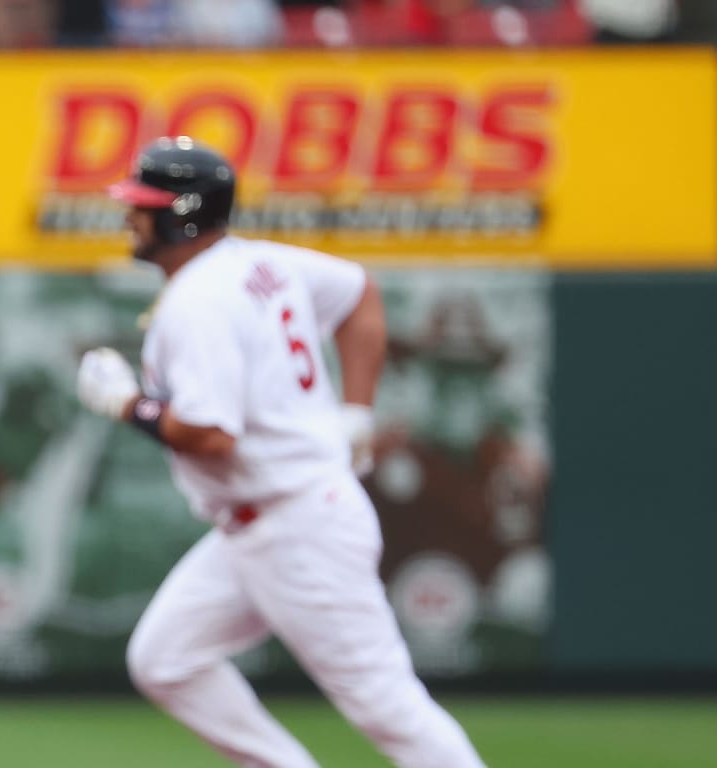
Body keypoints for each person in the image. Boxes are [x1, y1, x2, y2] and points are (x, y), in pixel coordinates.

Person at [77, 136, 486, 768]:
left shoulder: (197, 302)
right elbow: (359, 295)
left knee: (387, 706)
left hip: (296, 525)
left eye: (143, 202)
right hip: (265, 519)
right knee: (164, 660)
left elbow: (213, 435)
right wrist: (355, 415)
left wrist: (125, 404)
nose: (128, 214)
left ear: (181, 211)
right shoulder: (260, 264)